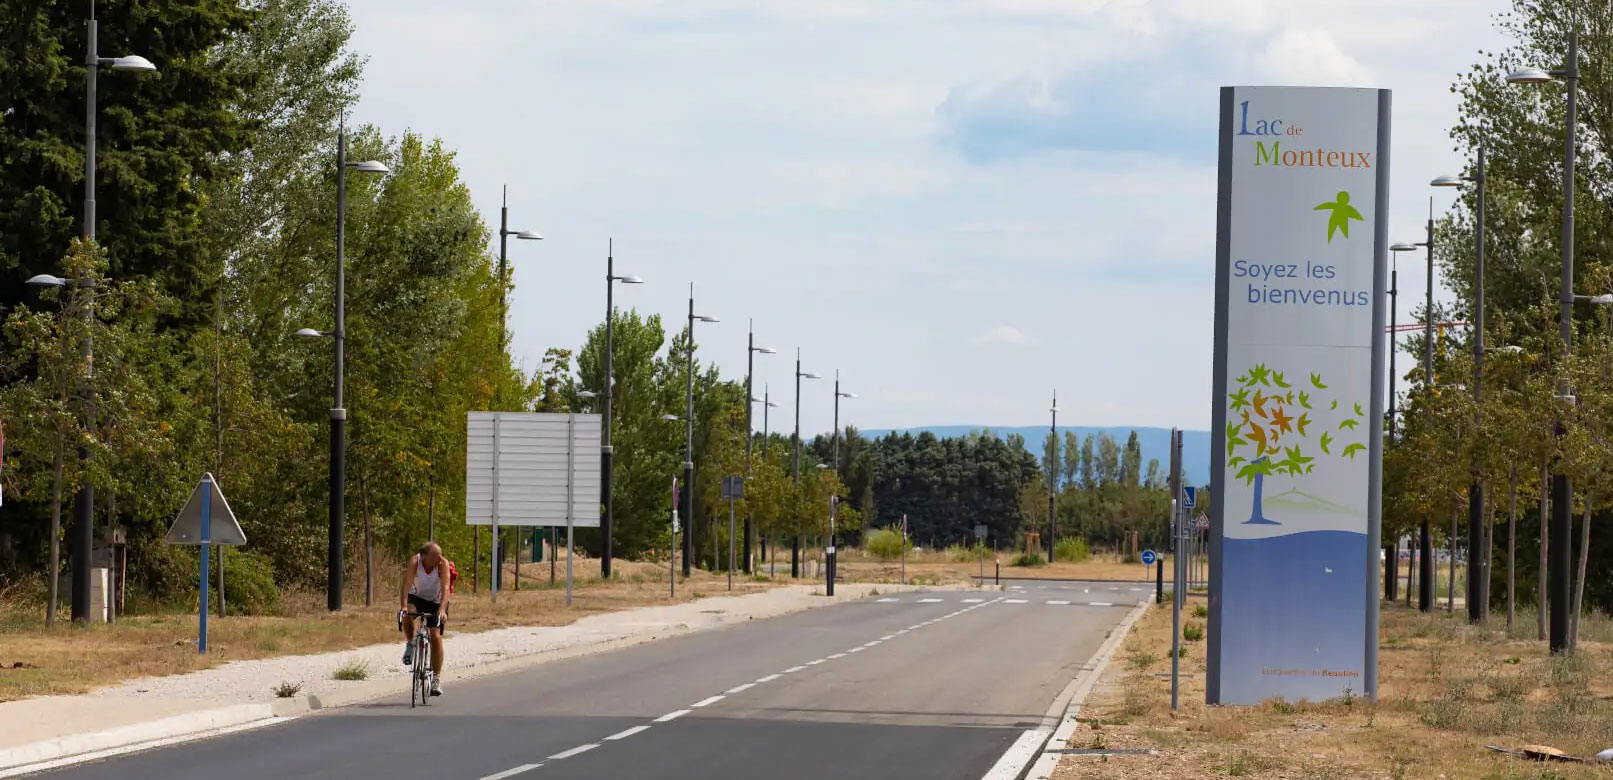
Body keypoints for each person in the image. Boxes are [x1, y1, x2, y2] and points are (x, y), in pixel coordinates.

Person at [399, 541, 452, 696]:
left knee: (435, 637)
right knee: (408, 613)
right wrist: (402, 606)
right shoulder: (415, 562)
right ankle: (410, 643)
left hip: (436, 601)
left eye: (440, 555)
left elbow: (445, 589)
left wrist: (442, 610)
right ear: (424, 557)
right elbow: (406, 585)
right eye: (436, 556)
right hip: (417, 597)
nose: (440, 559)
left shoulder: (443, 564)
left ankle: (436, 679)